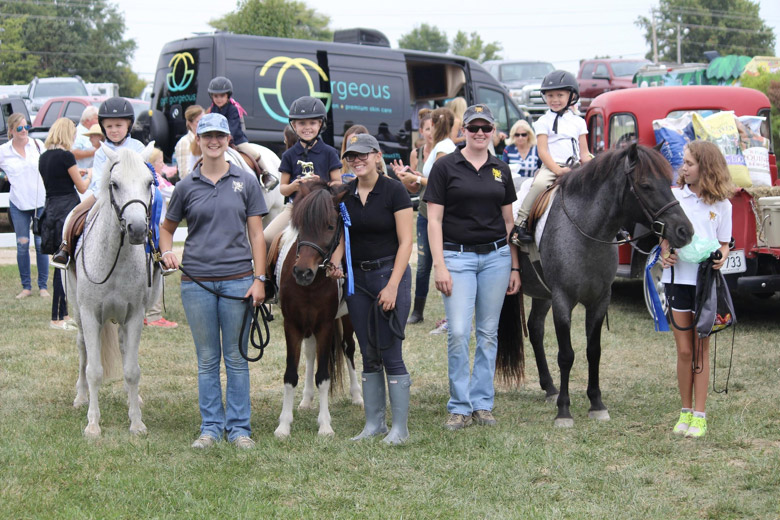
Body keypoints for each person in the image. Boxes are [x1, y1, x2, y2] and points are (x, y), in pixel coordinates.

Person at [159, 113, 267, 450]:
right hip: (197, 284)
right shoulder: (185, 186)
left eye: (220, 135)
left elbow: (257, 234)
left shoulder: (246, 181)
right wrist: (167, 251)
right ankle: (210, 428)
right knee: (207, 360)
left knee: (235, 358)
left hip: (238, 281)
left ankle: (239, 429)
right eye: (208, 136)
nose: (214, 141)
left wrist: (260, 279)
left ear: (228, 140)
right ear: (199, 140)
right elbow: (166, 228)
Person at [424, 104, 520, 431]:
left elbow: (509, 222)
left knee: (488, 333)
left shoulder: (501, 169)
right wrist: (439, 265)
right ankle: (459, 406)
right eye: (473, 127)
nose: (480, 133)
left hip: (496, 258)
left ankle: (482, 403)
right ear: (463, 130)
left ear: (493, 131)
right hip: (457, 257)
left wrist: (515, 267)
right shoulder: (445, 166)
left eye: (486, 128)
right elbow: (434, 221)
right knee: (459, 331)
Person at [332, 133, 414, 444]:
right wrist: (335, 262)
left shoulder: (394, 190)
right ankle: (374, 424)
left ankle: (400, 428)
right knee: (367, 351)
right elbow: (344, 236)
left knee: (390, 351)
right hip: (357, 281)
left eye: (363, 155)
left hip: (389, 274)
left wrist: (392, 286)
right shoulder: (345, 194)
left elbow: (406, 242)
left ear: (377, 156)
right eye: (352, 156)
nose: (357, 161)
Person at [659, 141, 733, 439]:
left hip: (705, 285)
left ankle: (700, 416)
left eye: (689, 163)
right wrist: (665, 253)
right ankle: (685, 411)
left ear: (707, 167)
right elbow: (664, 239)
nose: (683, 168)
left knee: (701, 349)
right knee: (684, 350)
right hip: (677, 281)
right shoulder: (675, 197)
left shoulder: (722, 205)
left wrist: (722, 256)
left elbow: (725, 243)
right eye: (684, 162)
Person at [51, 97, 145, 268]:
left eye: (118, 125)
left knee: (156, 216)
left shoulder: (138, 147)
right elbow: (98, 179)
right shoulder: (102, 151)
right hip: (104, 195)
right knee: (75, 214)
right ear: (103, 127)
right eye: (109, 126)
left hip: (134, 195)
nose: (114, 130)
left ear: (128, 125)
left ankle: (161, 253)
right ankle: (66, 247)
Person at [512, 70, 591, 244]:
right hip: (552, 166)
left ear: (571, 96)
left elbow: (584, 153)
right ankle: (521, 222)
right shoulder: (543, 121)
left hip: (575, 167)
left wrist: (594, 167)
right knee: (539, 185)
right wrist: (558, 170)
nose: (554, 99)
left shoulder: (579, 122)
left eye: (560, 95)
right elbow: (543, 152)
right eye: (550, 95)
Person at [263, 96, 342, 248]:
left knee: (339, 238)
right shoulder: (289, 155)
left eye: (312, 123)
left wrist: (322, 184)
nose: (307, 127)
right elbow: (283, 189)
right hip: (295, 207)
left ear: (320, 124)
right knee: (267, 237)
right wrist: (294, 186)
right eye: (302, 123)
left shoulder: (330, 152)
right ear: (294, 125)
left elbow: (338, 183)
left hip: (323, 208)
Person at [38, 118, 91, 329]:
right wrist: (89, 175)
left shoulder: (44, 157)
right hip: (68, 212)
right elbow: (82, 187)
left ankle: (63, 313)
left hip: (51, 211)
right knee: (65, 265)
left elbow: (56, 181)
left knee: (60, 262)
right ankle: (57, 317)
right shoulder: (67, 156)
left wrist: (77, 173)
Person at [390, 108, 435, 325]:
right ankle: (417, 311)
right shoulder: (416, 153)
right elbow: (415, 189)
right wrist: (404, 178)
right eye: (427, 129)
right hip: (425, 213)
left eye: (434, 128)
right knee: (423, 264)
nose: (431, 132)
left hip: (445, 216)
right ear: (421, 131)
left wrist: (418, 178)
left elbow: (442, 183)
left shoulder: (445, 151)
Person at [0, 113, 49, 299]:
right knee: (22, 244)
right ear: (11, 130)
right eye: (19, 128)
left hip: (39, 201)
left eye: (26, 127)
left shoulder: (37, 145)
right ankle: (26, 287)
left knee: (40, 244)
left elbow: (47, 165)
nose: (24, 131)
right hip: (18, 203)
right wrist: (4, 176)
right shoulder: (4, 151)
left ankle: (43, 286)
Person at [143, 148, 178, 329]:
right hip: (155, 232)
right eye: (160, 162)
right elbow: (175, 193)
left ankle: (144, 313)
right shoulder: (156, 180)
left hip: (150, 230)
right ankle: (154, 315)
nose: (163, 165)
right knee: (156, 271)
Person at [174, 104, 204, 179]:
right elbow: (184, 175)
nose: (203, 124)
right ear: (190, 124)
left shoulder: (208, 139)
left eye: (204, 121)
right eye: (198, 122)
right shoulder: (184, 142)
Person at [72, 106, 99, 171]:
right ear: (87, 121)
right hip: (82, 173)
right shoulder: (78, 134)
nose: (99, 121)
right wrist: (94, 152)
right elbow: (73, 154)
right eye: (97, 118)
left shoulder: (96, 132)